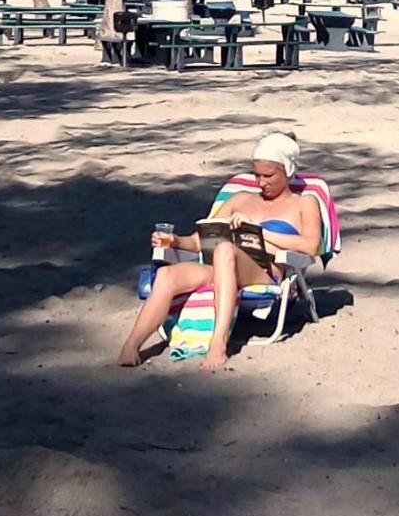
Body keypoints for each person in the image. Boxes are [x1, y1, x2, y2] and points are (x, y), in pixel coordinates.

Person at [117, 133, 320, 371]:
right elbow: (199, 240)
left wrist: (259, 233)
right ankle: (132, 345)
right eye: (257, 175)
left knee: (224, 250)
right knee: (168, 274)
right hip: (222, 269)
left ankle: (218, 344)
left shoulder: (304, 203)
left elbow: (311, 246)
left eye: (268, 176)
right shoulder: (239, 199)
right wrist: (175, 241)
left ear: (288, 170)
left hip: (264, 272)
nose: (261, 182)